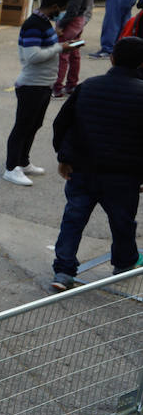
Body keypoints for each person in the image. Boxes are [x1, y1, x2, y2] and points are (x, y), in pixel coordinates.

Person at [49, 37, 143, 290]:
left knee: (73, 219)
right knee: (122, 222)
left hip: (82, 170)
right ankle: (123, 264)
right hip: (124, 177)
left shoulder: (89, 86)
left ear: (112, 58)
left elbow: (63, 124)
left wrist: (64, 158)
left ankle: (63, 271)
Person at [4, 0, 73, 187]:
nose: (63, 13)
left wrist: (57, 40)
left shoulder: (44, 23)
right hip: (31, 85)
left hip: (43, 84)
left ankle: (23, 162)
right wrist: (61, 47)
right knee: (22, 126)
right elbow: (32, 57)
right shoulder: (34, 25)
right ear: (55, 7)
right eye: (63, 9)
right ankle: (11, 168)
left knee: (34, 125)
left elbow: (43, 48)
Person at [54, 0, 96, 99]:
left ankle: (57, 87)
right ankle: (71, 85)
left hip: (72, 20)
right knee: (74, 52)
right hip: (78, 20)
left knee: (63, 53)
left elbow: (74, 5)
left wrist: (61, 25)